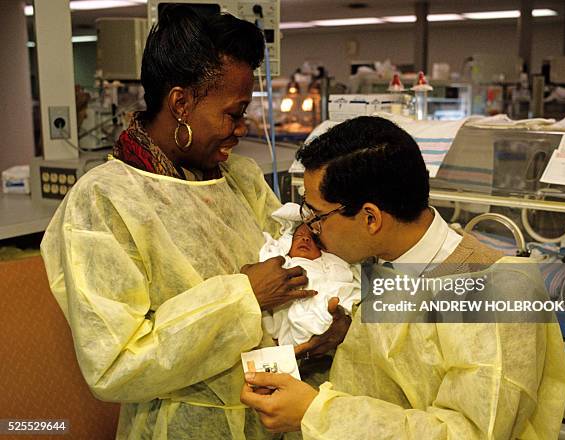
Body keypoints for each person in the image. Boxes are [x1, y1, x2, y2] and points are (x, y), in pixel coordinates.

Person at [40, 6, 349, 439]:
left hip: (271, 417)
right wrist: (243, 296)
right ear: (181, 102)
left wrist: (313, 337)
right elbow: (114, 365)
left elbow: (288, 277)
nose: (242, 128)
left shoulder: (238, 178)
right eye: (233, 113)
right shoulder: (104, 202)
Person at [241, 116, 565, 439]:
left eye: (317, 216)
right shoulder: (375, 260)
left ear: (370, 218)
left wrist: (318, 414)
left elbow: (469, 432)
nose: (310, 228)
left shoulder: (495, 296)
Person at [259, 210, 360, 346]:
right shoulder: (284, 261)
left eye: (313, 239)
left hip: (327, 308)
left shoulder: (327, 263)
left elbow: (345, 280)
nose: (306, 239)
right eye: (299, 236)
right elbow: (267, 266)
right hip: (293, 312)